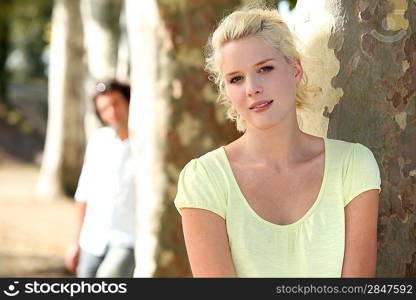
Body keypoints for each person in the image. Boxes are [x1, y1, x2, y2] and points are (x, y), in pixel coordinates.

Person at [174, 7, 381, 277]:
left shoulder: (352, 166)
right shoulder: (204, 179)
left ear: (295, 70)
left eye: (265, 68)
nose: (252, 88)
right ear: (226, 90)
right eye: (236, 78)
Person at [65, 80, 136, 277]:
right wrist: (75, 242)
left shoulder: (146, 145)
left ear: (129, 102)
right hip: (93, 238)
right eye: (104, 108)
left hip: (128, 239)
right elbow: (83, 195)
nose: (112, 112)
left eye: (116, 104)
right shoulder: (98, 141)